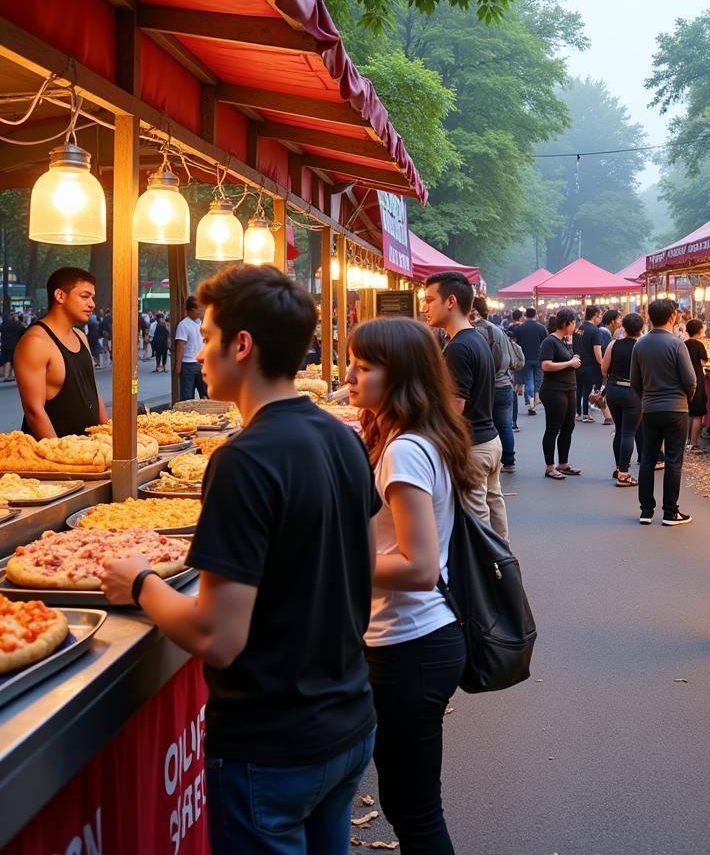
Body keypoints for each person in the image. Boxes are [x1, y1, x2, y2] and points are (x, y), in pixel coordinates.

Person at [100, 264, 379, 854]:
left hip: (272, 747)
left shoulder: (243, 461)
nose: (200, 352)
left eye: (207, 336)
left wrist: (141, 581)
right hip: (348, 720)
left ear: (242, 345)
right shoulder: (342, 437)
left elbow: (218, 636)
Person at [346, 317, 471, 855]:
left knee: (413, 810)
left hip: (411, 645)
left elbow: (420, 567)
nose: (349, 376)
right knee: (408, 803)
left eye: (363, 367)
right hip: (414, 642)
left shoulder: (405, 450)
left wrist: (331, 561)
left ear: (399, 376)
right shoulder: (411, 437)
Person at [422, 271, 508, 539]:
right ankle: (503, 571)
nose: (424, 308)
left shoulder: (458, 348)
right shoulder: (476, 338)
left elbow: (455, 406)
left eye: (428, 300)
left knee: (476, 523)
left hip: (473, 447)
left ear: (450, 301)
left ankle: (486, 576)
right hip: (489, 441)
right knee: (493, 510)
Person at [15, 268, 107, 439]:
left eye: (92, 297)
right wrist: (60, 456)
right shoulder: (35, 341)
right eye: (85, 296)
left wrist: (109, 436)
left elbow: (93, 393)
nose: (92, 304)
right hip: (57, 456)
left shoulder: (81, 336)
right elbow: (34, 411)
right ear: (60, 296)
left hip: (91, 449)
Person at [630, 297, 696, 526]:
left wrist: (646, 398)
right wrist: (686, 398)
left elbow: (635, 381)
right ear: (672, 317)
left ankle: (646, 510)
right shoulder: (677, 344)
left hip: (649, 408)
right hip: (676, 408)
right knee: (673, 460)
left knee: (648, 458)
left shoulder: (640, 344)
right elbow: (690, 380)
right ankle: (670, 511)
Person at [471, 295, 516, 475]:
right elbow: (509, 359)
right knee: (505, 424)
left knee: (485, 426)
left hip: (487, 386)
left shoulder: (474, 332)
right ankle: (509, 460)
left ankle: (489, 462)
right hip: (504, 383)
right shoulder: (498, 331)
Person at [602, 312, 644, 487]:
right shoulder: (642, 346)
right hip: (633, 392)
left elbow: (604, 369)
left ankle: (619, 467)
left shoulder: (614, 344)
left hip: (613, 389)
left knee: (619, 430)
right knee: (628, 433)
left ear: (623, 327)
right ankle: (624, 474)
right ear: (641, 328)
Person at [539, 308, 582, 479]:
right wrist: (569, 362)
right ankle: (550, 467)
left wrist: (572, 360)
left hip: (568, 388)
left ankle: (563, 464)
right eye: (573, 323)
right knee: (553, 428)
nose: (575, 327)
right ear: (566, 323)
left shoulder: (565, 340)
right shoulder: (550, 341)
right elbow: (546, 365)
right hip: (553, 390)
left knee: (568, 427)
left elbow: (566, 360)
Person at [511, 306, 547, 416]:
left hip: (525, 358)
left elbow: (515, 343)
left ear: (525, 316)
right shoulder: (541, 328)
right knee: (538, 379)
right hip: (538, 357)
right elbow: (544, 343)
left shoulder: (519, 328)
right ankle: (536, 399)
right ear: (535, 315)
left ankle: (530, 402)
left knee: (528, 379)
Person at [573, 305, 603, 422]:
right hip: (590, 365)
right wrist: (602, 363)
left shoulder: (578, 329)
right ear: (595, 315)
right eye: (599, 316)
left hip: (577, 363)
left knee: (579, 389)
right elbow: (597, 350)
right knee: (587, 390)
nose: (600, 318)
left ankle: (577, 413)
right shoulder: (595, 330)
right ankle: (586, 414)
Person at [175, 296, 208, 401]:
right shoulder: (184, 325)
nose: (200, 311)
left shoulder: (201, 323)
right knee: (187, 396)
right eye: (198, 308)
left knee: (206, 394)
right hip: (188, 365)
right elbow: (180, 346)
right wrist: (178, 365)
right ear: (191, 310)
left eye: (201, 308)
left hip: (202, 364)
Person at [684, 319, 709, 453]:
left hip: (685, 380)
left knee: (687, 412)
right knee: (698, 413)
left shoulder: (683, 344)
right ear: (699, 330)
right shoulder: (699, 345)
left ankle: (686, 441)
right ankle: (693, 444)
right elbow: (703, 362)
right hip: (697, 380)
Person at [597, 310, 621, 425]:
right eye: (618, 319)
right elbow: (607, 351)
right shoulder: (605, 332)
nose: (620, 321)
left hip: (599, 366)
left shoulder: (603, 330)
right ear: (612, 321)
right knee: (602, 389)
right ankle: (607, 416)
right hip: (602, 366)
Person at [1, 308, 21, 382]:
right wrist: (17, 320)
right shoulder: (16, 324)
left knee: (6, 360)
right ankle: (12, 375)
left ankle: (6, 376)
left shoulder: (3, 324)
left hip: (4, 345)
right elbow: (22, 329)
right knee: (13, 360)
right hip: (14, 345)